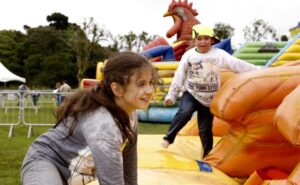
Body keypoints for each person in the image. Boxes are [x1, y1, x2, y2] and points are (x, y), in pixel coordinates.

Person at [20, 51, 158, 185]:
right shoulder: (104, 124)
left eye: (151, 82)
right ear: (117, 89)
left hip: (71, 173)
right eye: (141, 84)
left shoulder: (130, 113)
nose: (150, 90)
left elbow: (129, 171)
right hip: (45, 162)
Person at [161, 24, 260, 158]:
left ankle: (207, 155)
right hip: (191, 93)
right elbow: (180, 75)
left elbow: (236, 64)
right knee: (185, 112)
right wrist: (171, 95)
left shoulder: (219, 55)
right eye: (200, 38)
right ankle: (169, 138)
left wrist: (258, 71)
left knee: (205, 128)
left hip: (209, 98)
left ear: (212, 40)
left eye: (206, 38)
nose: (203, 42)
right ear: (194, 41)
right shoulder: (189, 55)